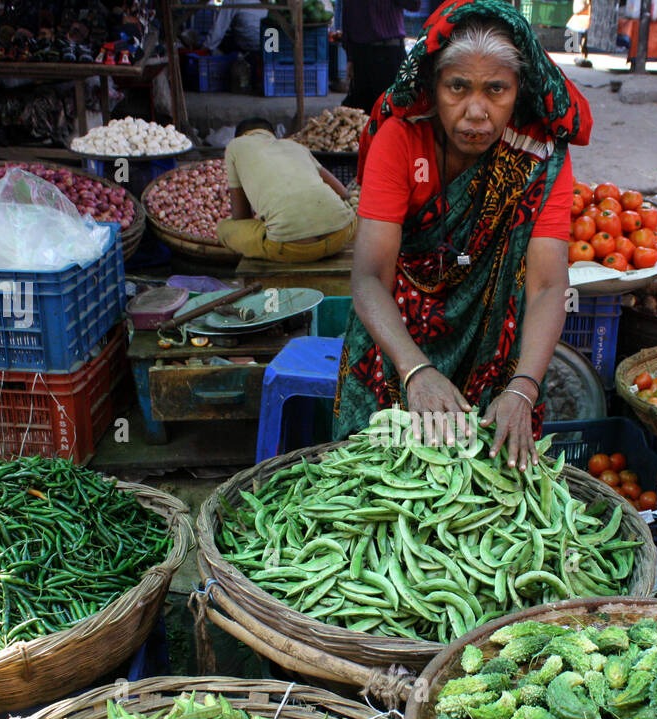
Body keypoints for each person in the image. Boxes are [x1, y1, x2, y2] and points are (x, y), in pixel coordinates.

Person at [332, 0, 592, 471]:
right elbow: (369, 277)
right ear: (433, 86)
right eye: (458, 88)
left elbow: (549, 284)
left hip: (493, 347)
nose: (476, 111)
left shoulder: (538, 153)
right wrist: (415, 371)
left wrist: (523, 387)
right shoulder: (401, 137)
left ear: (520, 89)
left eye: (496, 90)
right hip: (399, 336)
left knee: (487, 483)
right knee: (381, 476)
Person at [216, 118, 357, 263]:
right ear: (272, 135)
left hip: (294, 248)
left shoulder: (235, 146)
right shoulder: (294, 145)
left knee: (224, 228)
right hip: (342, 233)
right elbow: (343, 192)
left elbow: (242, 217)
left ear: (241, 136)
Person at [331, 0, 422, 113]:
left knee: (390, 112)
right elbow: (348, 14)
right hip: (365, 53)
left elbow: (414, 4)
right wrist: (350, 57)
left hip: (386, 52)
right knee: (366, 114)